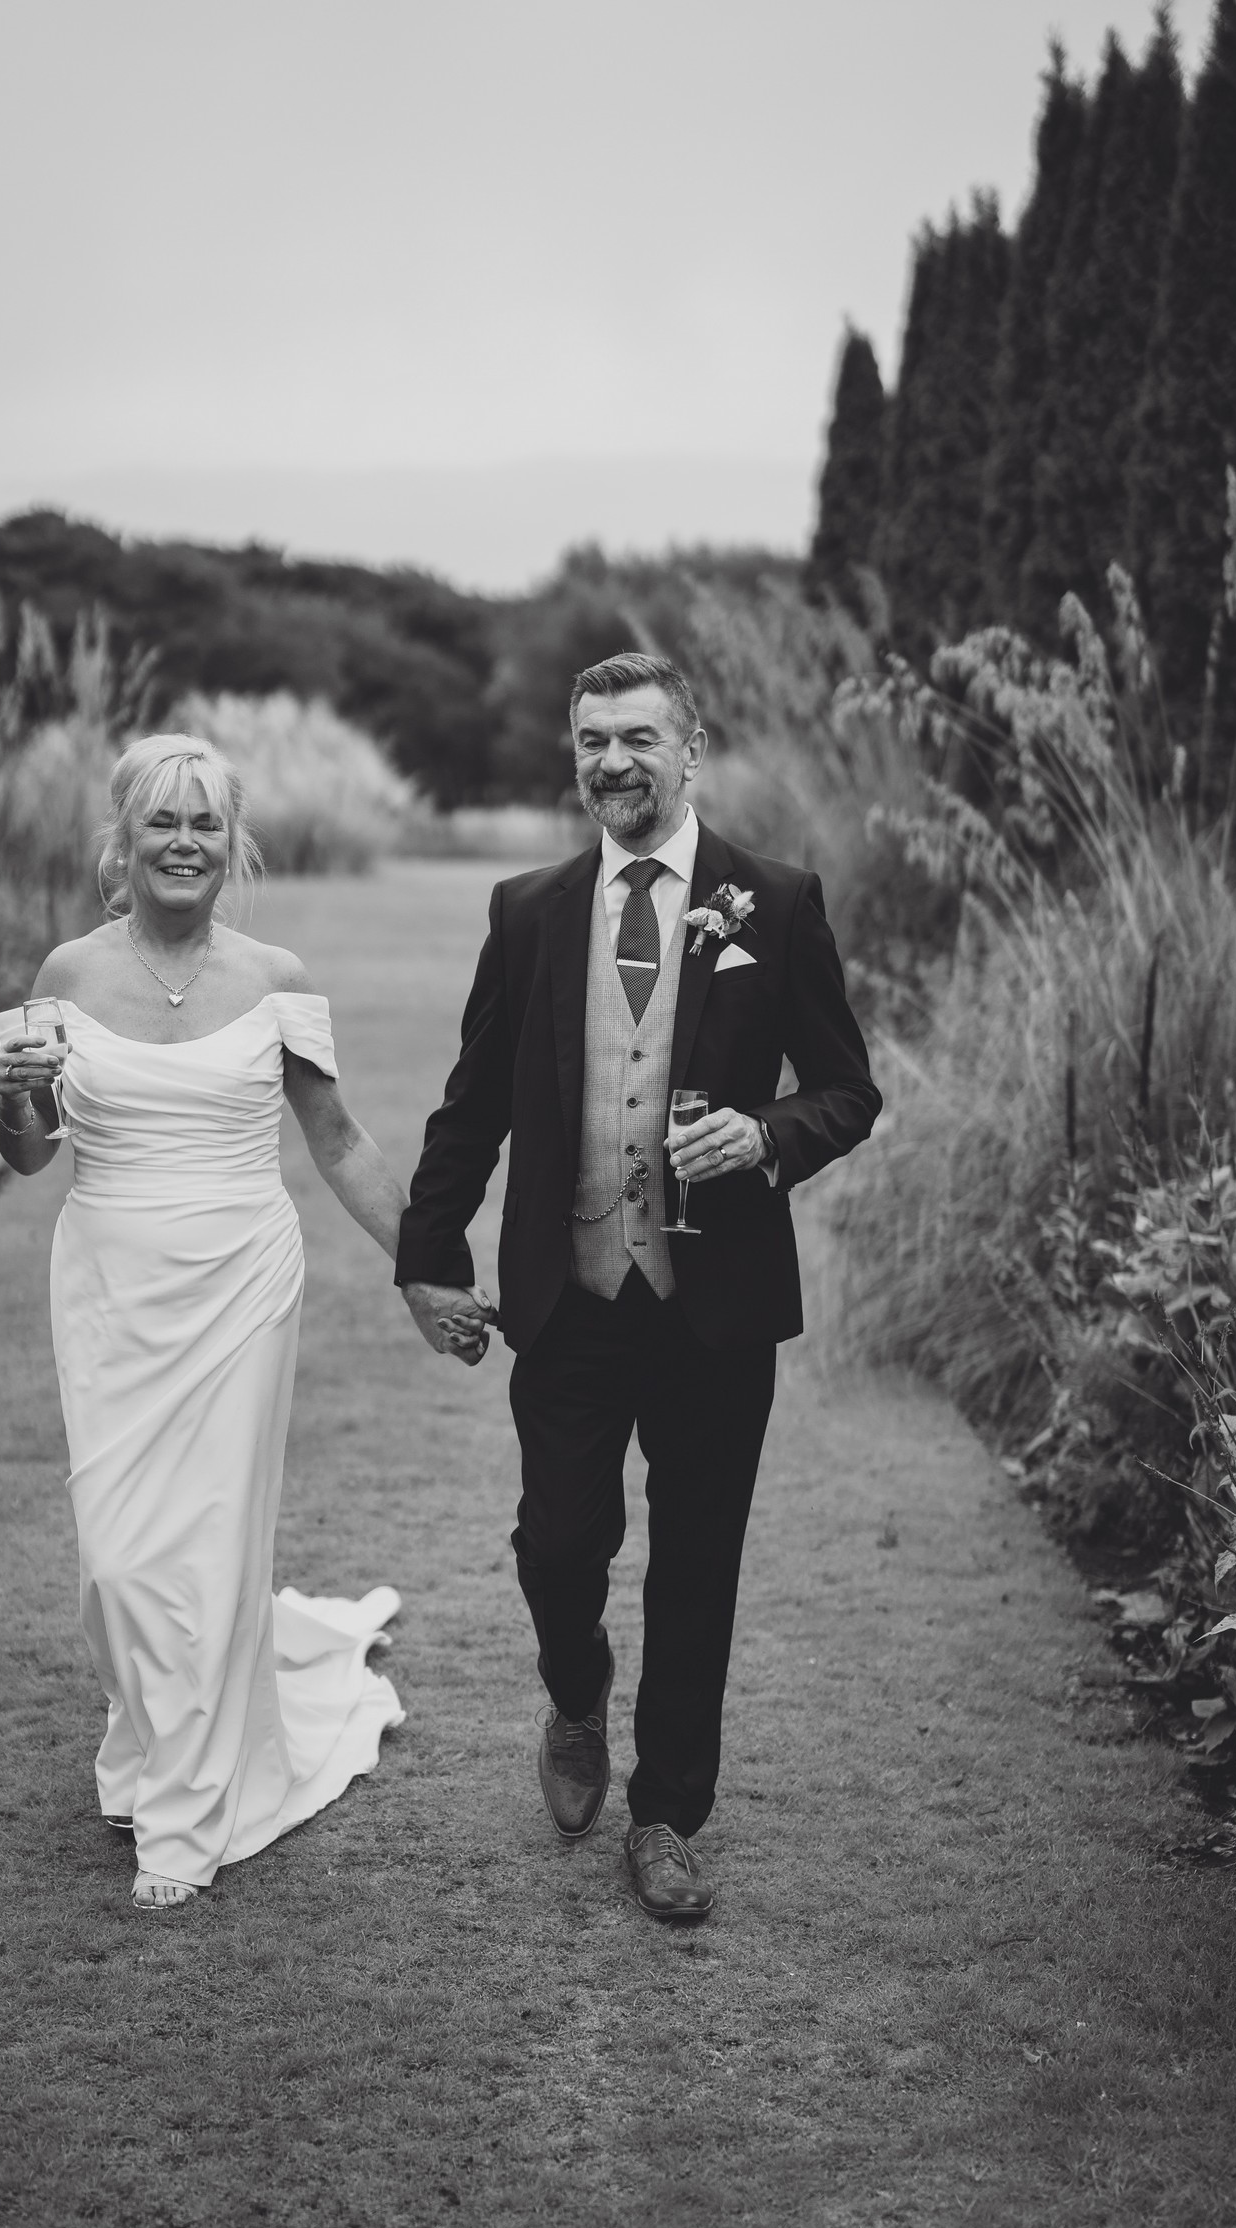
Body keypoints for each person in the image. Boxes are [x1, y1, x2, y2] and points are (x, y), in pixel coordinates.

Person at [395, 653, 881, 1924]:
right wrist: (429, 1254)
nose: (611, 761)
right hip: (569, 1292)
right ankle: (575, 1692)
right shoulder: (527, 911)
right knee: (559, 1545)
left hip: (715, 1307)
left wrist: (768, 1136)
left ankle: (665, 1815)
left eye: (637, 738)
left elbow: (847, 1090)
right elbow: (473, 1103)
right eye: (591, 741)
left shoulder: (774, 903)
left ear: (691, 750)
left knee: (698, 1565)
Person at [0, 732, 463, 1913]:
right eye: (163, 820)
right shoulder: (66, 973)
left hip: (243, 1282)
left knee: (205, 1550)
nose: (185, 841)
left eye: (206, 822)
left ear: (232, 842)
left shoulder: (275, 975)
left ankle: (185, 1821)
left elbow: (337, 1140)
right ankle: (152, 1732)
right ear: (124, 838)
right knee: (114, 1564)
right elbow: (30, 1154)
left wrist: (424, 1270)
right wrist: (14, 1106)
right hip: (108, 1285)